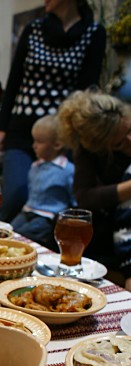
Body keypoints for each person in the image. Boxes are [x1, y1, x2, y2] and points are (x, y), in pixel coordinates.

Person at [0, 0, 106, 223]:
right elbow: (14, 81)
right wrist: (0, 128)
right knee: (16, 196)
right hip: (22, 130)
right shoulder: (33, 29)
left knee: (54, 203)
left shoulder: (93, 32)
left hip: (61, 135)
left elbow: (87, 89)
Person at [57, 89, 131, 288]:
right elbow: (85, 197)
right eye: (119, 143)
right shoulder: (87, 150)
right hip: (112, 221)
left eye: (130, 130)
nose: (130, 140)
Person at [10, 115, 75, 247]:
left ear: (57, 144)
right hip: (27, 210)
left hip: (47, 216)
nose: (34, 146)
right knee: (10, 232)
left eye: (39, 142)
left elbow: (74, 196)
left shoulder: (67, 169)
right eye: (34, 141)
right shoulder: (35, 166)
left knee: (22, 238)